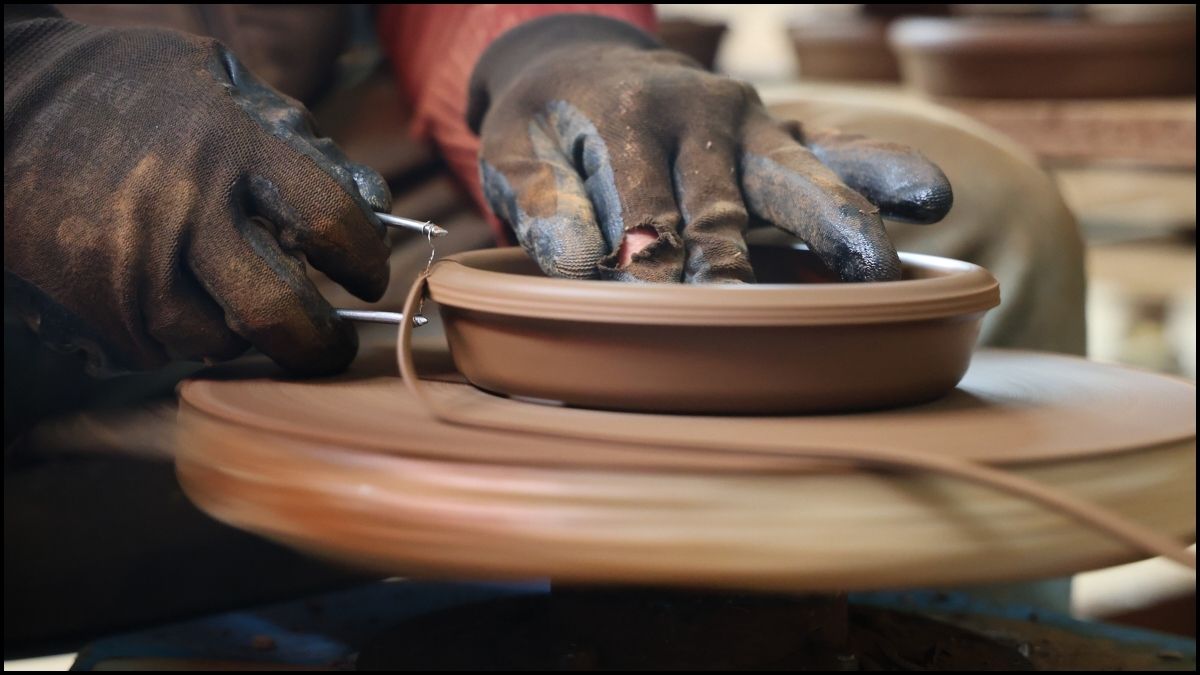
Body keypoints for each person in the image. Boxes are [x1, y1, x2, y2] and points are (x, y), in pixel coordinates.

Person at [4, 4, 1084, 647]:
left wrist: (547, 49)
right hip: (33, 210)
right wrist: (29, 101)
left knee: (986, 208)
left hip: (289, 158)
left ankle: (940, 639)